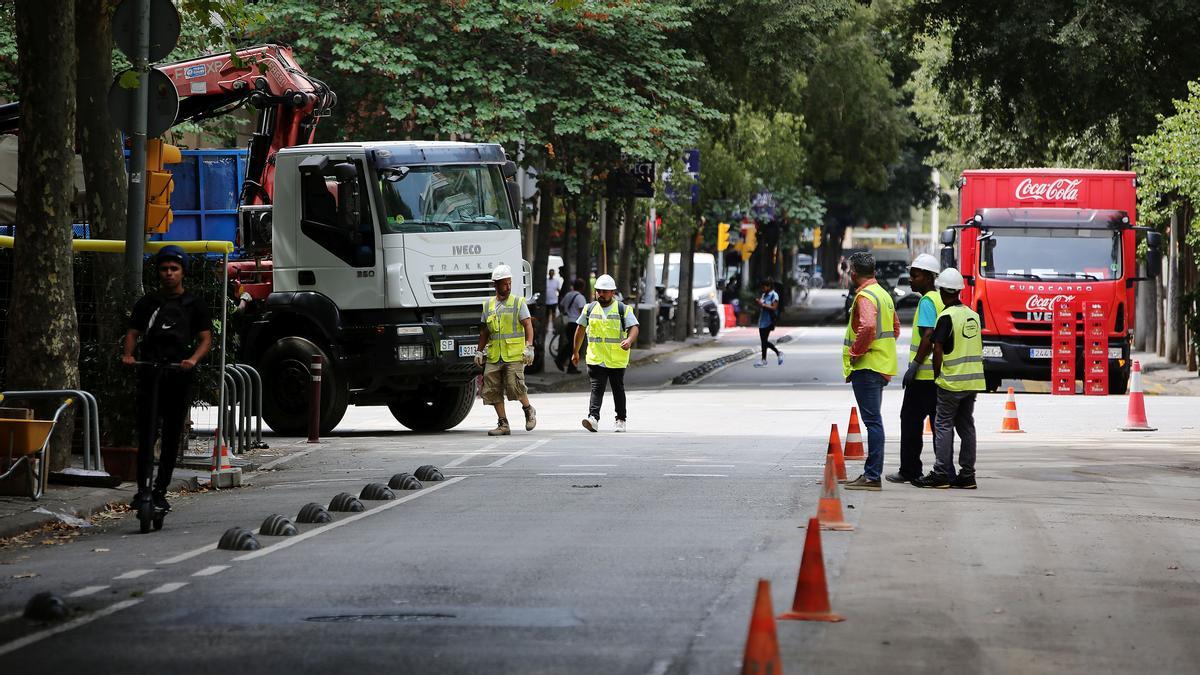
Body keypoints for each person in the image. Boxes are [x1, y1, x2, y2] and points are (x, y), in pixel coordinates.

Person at [121, 245, 212, 513]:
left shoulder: (194, 304)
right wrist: (128, 355)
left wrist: (192, 360)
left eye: (174, 269)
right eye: (164, 269)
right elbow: (133, 332)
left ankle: (161, 490)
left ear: (183, 272)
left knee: (172, 434)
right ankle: (143, 490)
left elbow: (205, 338)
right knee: (148, 433)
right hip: (150, 372)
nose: (168, 273)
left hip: (178, 374)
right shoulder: (148, 303)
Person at [913, 268, 984, 489]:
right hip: (971, 382)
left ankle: (941, 473)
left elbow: (938, 350)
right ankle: (968, 475)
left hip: (951, 382)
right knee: (966, 427)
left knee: (943, 425)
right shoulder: (973, 315)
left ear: (943, 290)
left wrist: (937, 377)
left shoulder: (946, 317)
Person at [841, 251, 899, 491]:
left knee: (873, 422)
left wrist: (856, 352)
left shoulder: (865, 296)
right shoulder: (883, 294)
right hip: (881, 365)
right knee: (874, 420)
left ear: (853, 273)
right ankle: (871, 473)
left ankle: (872, 475)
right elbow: (895, 327)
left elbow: (867, 327)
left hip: (867, 366)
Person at [887, 253, 944, 484]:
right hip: (938, 376)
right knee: (939, 424)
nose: (910, 279)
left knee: (910, 421)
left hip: (923, 377)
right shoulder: (941, 299)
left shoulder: (928, 301)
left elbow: (929, 335)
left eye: (915, 275)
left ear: (929, 278)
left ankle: (910, 470)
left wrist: (915, 366)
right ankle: (943, 469)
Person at [572, 274, 639, 432]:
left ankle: (620, 420)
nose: (601, 294)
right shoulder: (589, 309)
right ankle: (593, 418)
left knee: (618, 389)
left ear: (613, 293)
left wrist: (629, 340)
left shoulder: (623, 309)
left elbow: (634, 327)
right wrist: (575, 352)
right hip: (596, 357)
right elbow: (580, 330)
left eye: (605, 291)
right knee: (596, 388)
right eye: (599, 291)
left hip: (616, 358)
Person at [475, 264, 536, 436]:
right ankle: (503, 424)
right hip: (494, 355)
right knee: (492, 389)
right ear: (495, 285)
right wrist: (479, 351)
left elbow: (528, 324)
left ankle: (528, 410)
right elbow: (485, 331)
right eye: (504, 284)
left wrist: (529, 346)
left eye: (510, 283)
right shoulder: (488, 306)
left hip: (514, 354)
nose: (508, 287)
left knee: (514, 385)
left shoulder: (518, 302)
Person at [555, 278, 587, 373]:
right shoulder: (580, 297)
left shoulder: (568, 295)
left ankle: (571, 367)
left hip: (568, 322)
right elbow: (583, 312)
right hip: (576, 324)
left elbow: (561, 305)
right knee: (574, 346)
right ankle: (561, 360)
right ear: (582, 287)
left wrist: (566, 312)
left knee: (572, 345)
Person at [753, 277, 783, 367]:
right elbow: (762, 306)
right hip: (762, 320)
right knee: (763, 341)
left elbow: (774, 307)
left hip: (769, 320)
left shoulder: (774, 295)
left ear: (769, 286)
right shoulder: (764, 295)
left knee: (764, 341)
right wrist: (759, 303)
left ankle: (777, 353)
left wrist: (763, 304)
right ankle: (764, 360)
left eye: (764, 287)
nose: (763, 289)